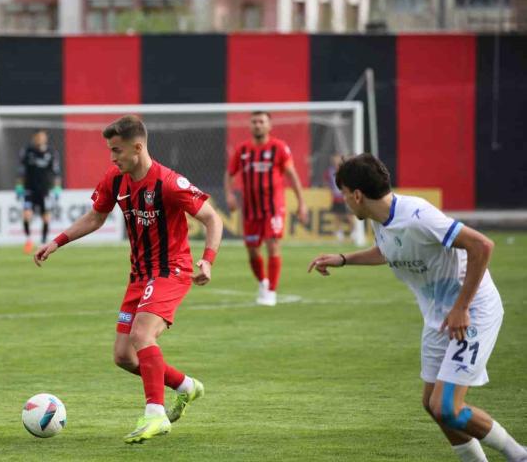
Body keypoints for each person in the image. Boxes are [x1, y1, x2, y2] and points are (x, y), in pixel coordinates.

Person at [308, 154, 526, 462]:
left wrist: (462, 307)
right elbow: (388, 251)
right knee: (432, 405)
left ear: (357, 195)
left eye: (343, 194)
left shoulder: (418, 215)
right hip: (440, 315)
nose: (343, 201)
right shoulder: (380, 219)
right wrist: (344, 259)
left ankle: (519, 455)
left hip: (473, 310)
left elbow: (482, 245)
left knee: (447, 407)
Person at [34, 115, 223, 444]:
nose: (112, 157)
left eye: (117, 150)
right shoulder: (116, 179)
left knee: (142, 334)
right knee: (124, 356)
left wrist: (207, 260)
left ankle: (155, 414)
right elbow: (96, 217)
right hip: (139, 275)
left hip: (170, 270)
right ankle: (186, 386)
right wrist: (57, 242)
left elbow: (212, 218)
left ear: (137, 148)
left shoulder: (169, 183)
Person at [224, 111, 308, 306]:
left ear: (269, 125)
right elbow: (229, 174)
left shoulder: (279, 147)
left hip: (273, 207)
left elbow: (292, 175)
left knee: (273, 245)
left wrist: (301, 202)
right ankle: (263, 282)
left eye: (261, 121)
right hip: (250, 209)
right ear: (250, 125)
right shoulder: (242, 150)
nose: (257, 125)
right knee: (252, 251)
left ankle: (271, 292)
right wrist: (229, 195)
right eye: (254, 122)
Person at [16, 129, 62, 254]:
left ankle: (42, 242)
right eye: (38, 137)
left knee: (46, 218)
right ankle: (28, 240)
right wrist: (19, 187)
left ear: (45, 138)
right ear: (34, 138)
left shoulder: (51, 153)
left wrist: (57, 188)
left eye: (42, 137)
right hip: (29, 189)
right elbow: (21, 171)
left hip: (45, 190)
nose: (40, 139)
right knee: (27, 215)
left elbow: (56, 173)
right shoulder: (27, 151)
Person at [325, 153, 355, 242]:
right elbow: (327, 181)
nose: (335, 160)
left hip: (345, 197)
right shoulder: (330, 171)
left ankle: (354, 232)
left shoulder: (345, 170)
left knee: (349, 216)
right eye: (334, 159)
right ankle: (339, 233)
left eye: (337, 159)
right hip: (336, 197)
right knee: (337, 216)